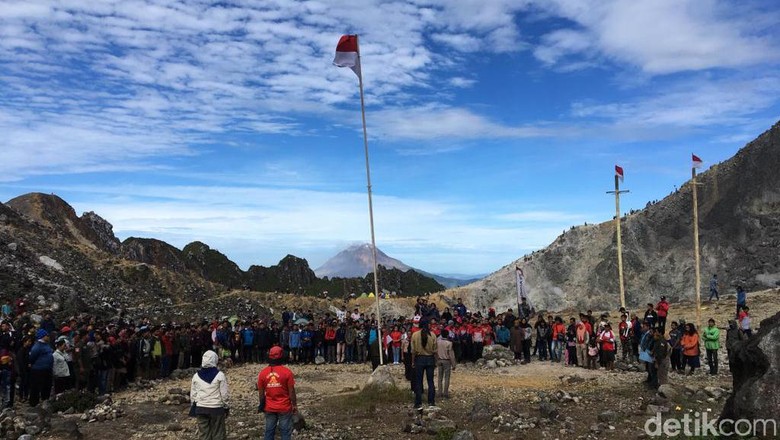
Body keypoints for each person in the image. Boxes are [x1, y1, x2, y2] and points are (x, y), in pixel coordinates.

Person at [258, 346, 297, 440]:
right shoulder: (287, 372)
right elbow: (291, 391)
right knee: (285, 432)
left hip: (269, 407)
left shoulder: (263, 373)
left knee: (269, 431)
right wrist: (294, 405)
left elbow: (261, 393)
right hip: (284, 407)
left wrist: (262, 405)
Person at [190, 350, 230, 440]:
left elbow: (193, 394)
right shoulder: (220, 375)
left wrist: (194, 405)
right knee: (218, 434)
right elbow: (224, 395)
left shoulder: (196, 376)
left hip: (201, 408)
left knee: (204, 435)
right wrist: (226, 406)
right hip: (216, 409)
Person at [411, 319, 437, 410]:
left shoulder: (415, 335)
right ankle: (431, 402)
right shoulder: (433, 335)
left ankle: (418, 402)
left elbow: (413, 351)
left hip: (419, 359)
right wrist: (436, 361)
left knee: (418, 381)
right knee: (430, 381)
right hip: (430, 359)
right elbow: (435, 350)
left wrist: (413, 361)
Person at [28, 329, 53, 407]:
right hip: (38, 369)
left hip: (47, 369)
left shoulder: (47, 345)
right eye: (47, 335)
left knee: (47, 386)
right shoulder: (37, 346)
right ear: (42, 336)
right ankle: (33, 403)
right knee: (36, 387)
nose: (48, 337)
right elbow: (32, 357)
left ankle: (45, 401)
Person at [435, 331, 456, 399]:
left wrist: (436, 360)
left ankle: (439, 392)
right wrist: (453, 364)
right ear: (447, 335)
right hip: (446, 361)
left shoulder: (438, 342)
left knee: (440, 377)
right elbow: (451, 355)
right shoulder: (449, 343)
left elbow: (435, 352)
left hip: (439, 360)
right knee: (447, 377)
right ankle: (445, 393)